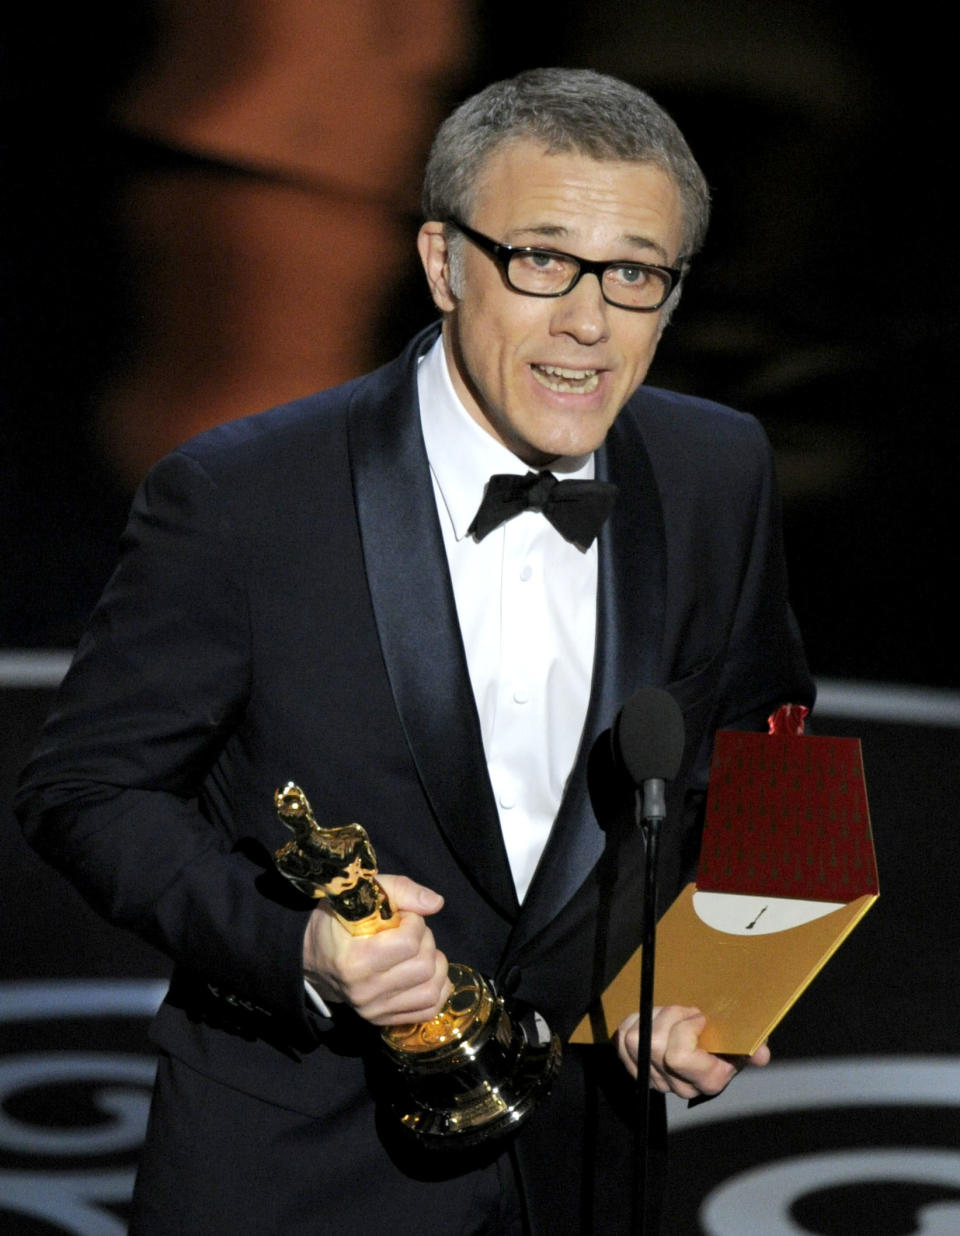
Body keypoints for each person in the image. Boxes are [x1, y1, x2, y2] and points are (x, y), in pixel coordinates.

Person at [15, 68, 813, 1234]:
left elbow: (766, 760)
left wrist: (699, 985)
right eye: (542, 261)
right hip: (299, 1168)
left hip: (590, 1168)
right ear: (444, 263)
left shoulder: (716, 471)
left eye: (636, 275)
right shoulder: (243, 499)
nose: (589, 322)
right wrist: (301, 947)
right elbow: (87, 788)